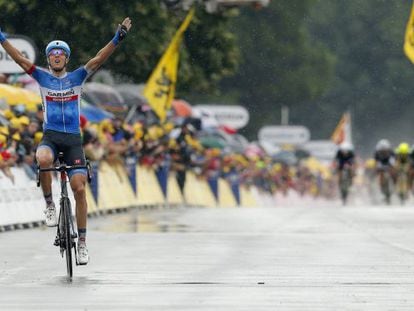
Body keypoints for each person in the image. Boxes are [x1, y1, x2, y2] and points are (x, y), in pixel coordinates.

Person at [0, 17, 132, 265]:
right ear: (49, 59)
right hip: (51, 136)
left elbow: (99, 58)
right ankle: (50, 204)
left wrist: (118, 38)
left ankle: (82, 243)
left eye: (61, 53)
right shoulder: (41, 77)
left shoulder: (78, 77)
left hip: (72, 140)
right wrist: (1, 38)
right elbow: (19, 58)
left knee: (79, 189)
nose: (57, 56)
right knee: (43, 158)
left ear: (67, 58)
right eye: (53, 53)